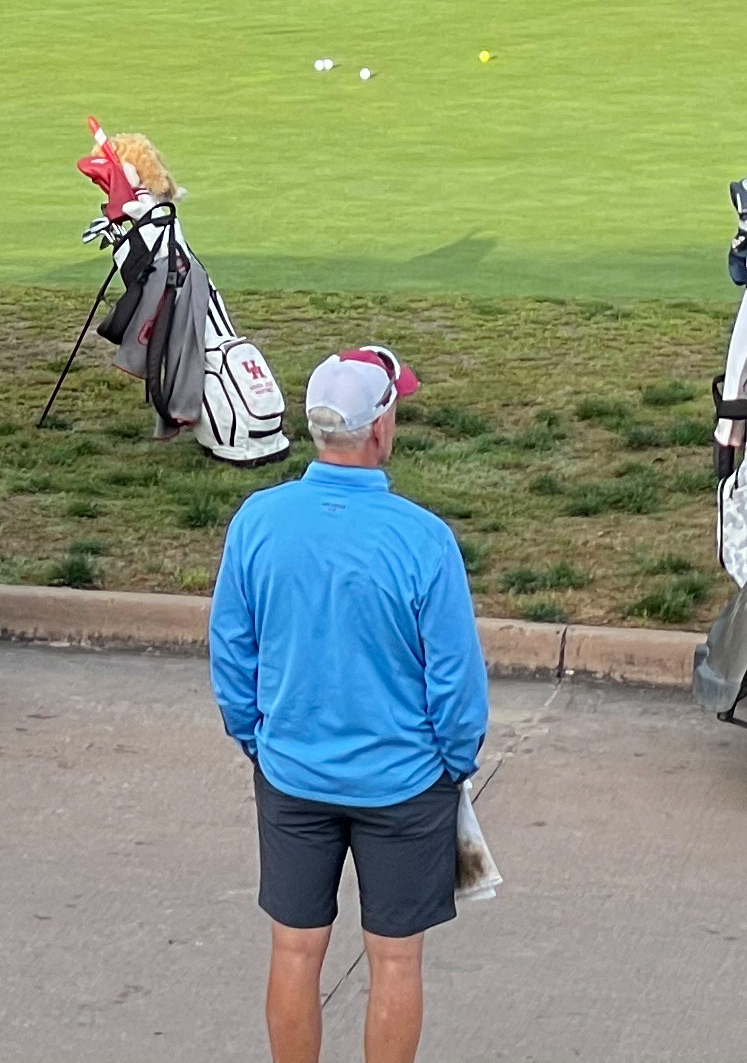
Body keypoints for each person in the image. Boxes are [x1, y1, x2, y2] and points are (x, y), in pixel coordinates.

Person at [212, 346, 488, 1063]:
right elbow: (456, 684)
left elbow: (232, 656)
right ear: (379, 428)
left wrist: (260, 740)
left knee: (295, 951)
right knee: (395, 960)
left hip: (293, 773)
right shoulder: (423, 540)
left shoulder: (257, 521)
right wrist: (452, 764)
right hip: (403, 783)